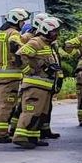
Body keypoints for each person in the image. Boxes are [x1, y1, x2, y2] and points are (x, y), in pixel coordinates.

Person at [12, 13, 61, 149]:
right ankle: (20, 137)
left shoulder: (47, 44)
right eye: (54, 31)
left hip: (44, 85)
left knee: (39, 114)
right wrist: (29, 70)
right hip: (35, 85)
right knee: (30, 111)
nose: (56, 34)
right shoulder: (36, 42)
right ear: (46, 30)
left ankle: (33, 137)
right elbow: (19, 55)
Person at [0, 8, 30, 142]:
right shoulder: (13, 33)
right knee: (6, 105)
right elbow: (15, 45)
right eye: (22, 21)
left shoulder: (0, 34)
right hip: (11, 76)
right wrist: (21, 64)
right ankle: (1, 134)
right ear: (17, 20)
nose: (23, 24)